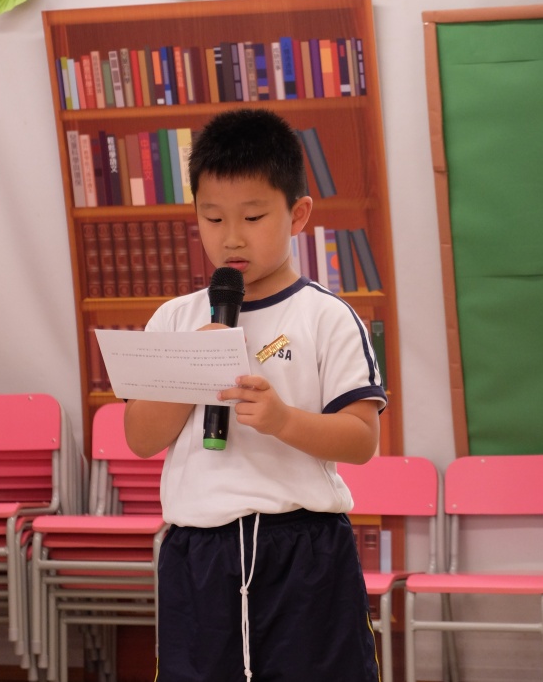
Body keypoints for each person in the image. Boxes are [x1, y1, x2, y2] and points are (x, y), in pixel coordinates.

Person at [124, 107, 387, 682]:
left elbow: (361, 439)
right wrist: (189, 372)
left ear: (298, 214)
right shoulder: (174, 319)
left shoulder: (326, 316)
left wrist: (283, 419)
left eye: (253, 216)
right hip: (198, 552)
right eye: (213, 217)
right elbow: (140, 438)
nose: (232, 237)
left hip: (303, 551)